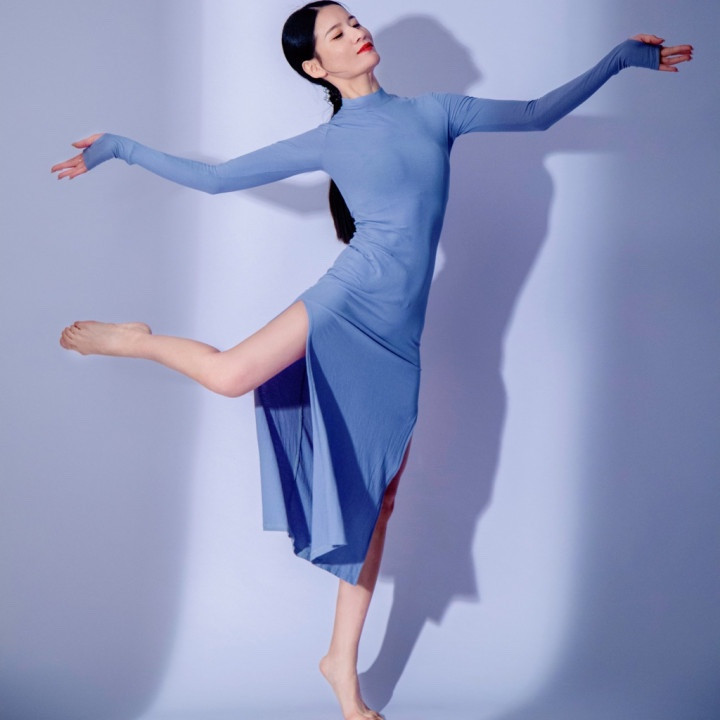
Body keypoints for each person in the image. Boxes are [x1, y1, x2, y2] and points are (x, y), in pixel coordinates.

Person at [51, 3, 692, 718]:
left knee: (378, 500)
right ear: (314, 67)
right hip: (348, 299)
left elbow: (539, 115)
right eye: (337, 32)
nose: (356, 31)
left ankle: (339, 665)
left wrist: (619, 59)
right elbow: (218, 178)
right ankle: (135, 338)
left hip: (399, 333)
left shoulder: (437, 111)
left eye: (353, 21)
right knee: (231, 375)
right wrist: (119, 146)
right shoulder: (332, 139)